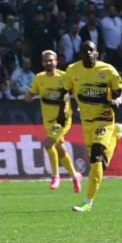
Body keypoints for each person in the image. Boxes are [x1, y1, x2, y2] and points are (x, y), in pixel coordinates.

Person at [63, 41, 122, 212]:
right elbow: (64, 90)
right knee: (101, 164)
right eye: (84, 50)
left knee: (95, 154)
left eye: (91, 50)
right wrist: (62, 110)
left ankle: (88, 201)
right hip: (87, 122)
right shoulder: (72, 70)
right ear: (80, 54)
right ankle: (116, 134)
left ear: (97, 54)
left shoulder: (107, 71)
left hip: (104, 119)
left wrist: (118, 100)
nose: (88, 53)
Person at [25, 50, 83, 192]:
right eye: (46, 61)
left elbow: (77, 92)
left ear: (56, 61)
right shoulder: (39, 78)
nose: (48, 63)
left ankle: (55, 176)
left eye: (51, 60)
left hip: (62, 119)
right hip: (48, 121)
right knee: (59, 148)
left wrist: (81, 106)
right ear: (42, 62)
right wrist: (27, 96)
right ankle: (75, 175)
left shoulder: (64, 77)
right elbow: (30, 95)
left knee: (48, 143)